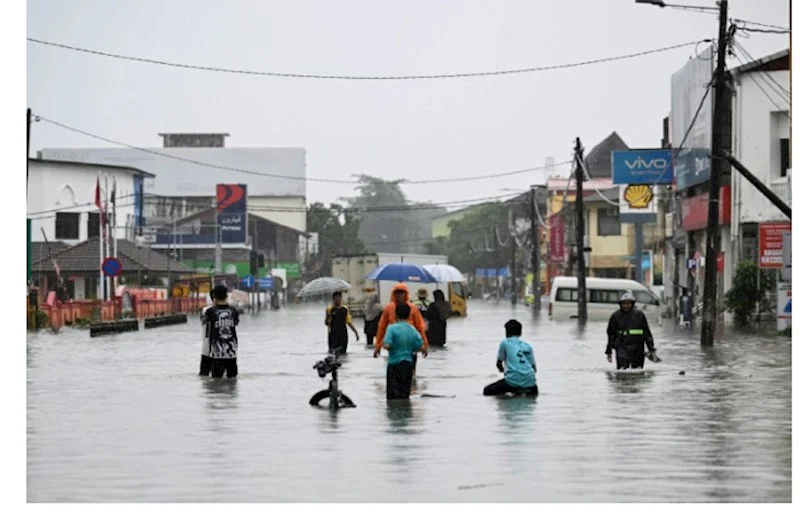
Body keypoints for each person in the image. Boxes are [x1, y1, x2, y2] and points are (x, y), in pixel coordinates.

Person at [375, 302, 427, 400]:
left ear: (395, 314)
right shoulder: (412, 330)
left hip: (394, 365)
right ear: (409, 315)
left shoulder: (391, 328)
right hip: (408, 366)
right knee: (405, 396)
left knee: (392, 398)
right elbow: (421, 347)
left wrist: (392, 347)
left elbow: (386, 345)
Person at [375, 283, 429, 373]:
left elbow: (420, 327)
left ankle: (411, 384)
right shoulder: (388, 309)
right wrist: (377, 346)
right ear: (393, 294)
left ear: (406, 294)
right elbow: (381, 327)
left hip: (410, 344)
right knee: (395, 371)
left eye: (402, 293)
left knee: (410, 372)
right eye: (397, 293)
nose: (399, 295)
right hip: (395, 345)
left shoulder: (413, 308)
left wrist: (424, 345)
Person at [483, 319, 538, 396]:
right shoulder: (527, 346)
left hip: (513, 381)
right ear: (520, 332)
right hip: (531, 383)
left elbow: (499, 363)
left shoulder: (505, 343)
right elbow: (534, 369)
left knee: (487, 391)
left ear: (506, 332)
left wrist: (503, 371)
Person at [605, 292, 657, 369]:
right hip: (621, 346)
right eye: (624, 304)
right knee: (622, 370)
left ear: (632, 304)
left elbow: (647, 333)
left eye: (628, 303)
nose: (626, 306)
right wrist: (609, 351)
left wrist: (651, 348)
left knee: (638, 370)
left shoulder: (640, 315)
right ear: (620, 304)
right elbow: (611, 334)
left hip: (637, 347)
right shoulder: (615, 316)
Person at [205, 285, 240, 378]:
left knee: (216, 381)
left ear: (214, 297)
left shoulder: (210, 311)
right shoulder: (233, 311)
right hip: (231, 350)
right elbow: (236, 323)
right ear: (227, 296)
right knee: (232, 380)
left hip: (216, 352)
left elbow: (205, 327)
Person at [199, 289, 215, 376]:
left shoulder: (205, 310)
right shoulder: (208, 310)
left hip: (205, 349)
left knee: (204, 375)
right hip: (218, 351)